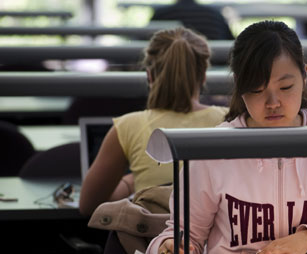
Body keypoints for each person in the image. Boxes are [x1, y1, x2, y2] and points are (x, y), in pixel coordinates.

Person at [147, 20, 307, 254]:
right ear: (240, 86)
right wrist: (168, 248)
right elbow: (184, 238)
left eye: (285, 87)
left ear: (304, 75)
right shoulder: (213, 150)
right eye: (257, 90)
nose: (273, 102)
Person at [79, 27, 228, 216]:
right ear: (204, 76)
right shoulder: (231, 120)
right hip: (215, 244)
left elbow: (88, 206)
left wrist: (130, 183)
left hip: (149, 244)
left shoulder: (127, 127)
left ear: (149, 75)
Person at [151, 0, 234, 41]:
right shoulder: (215, 15)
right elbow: (232, 45)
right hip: (214, 71)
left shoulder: (161, 14)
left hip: (170, 71)